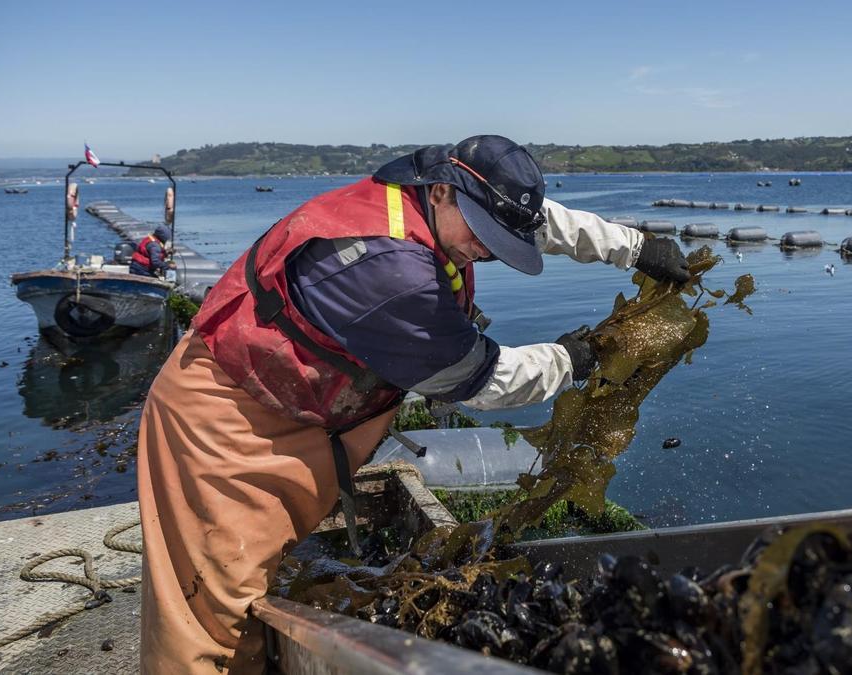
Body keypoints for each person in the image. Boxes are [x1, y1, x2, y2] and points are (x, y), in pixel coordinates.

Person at [136, 135, 689, 673]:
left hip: (305, 405)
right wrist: (573, 359)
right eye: (484, 236)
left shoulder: (432, 198)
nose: (488, 250)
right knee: (212, 606)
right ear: (444, 193)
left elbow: (531, 219)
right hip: (228, 415)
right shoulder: (390, 275)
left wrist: (634, 246)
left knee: (259, 567)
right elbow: (480, 378)